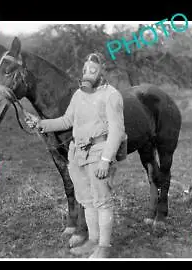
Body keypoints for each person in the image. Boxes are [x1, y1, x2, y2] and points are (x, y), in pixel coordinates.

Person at [26, 52, 127, 258]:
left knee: (102, 201)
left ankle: (104, 248)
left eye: (93, 70)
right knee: (87, 201)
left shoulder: (112, 95)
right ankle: (92, 241)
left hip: (100, 153)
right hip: (78, 155)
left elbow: (117, 131)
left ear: (102, 72)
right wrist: (40, 124)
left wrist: (106, 160)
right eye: (84, 70)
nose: (87, 73)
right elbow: (66, 121)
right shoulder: (79, 95)